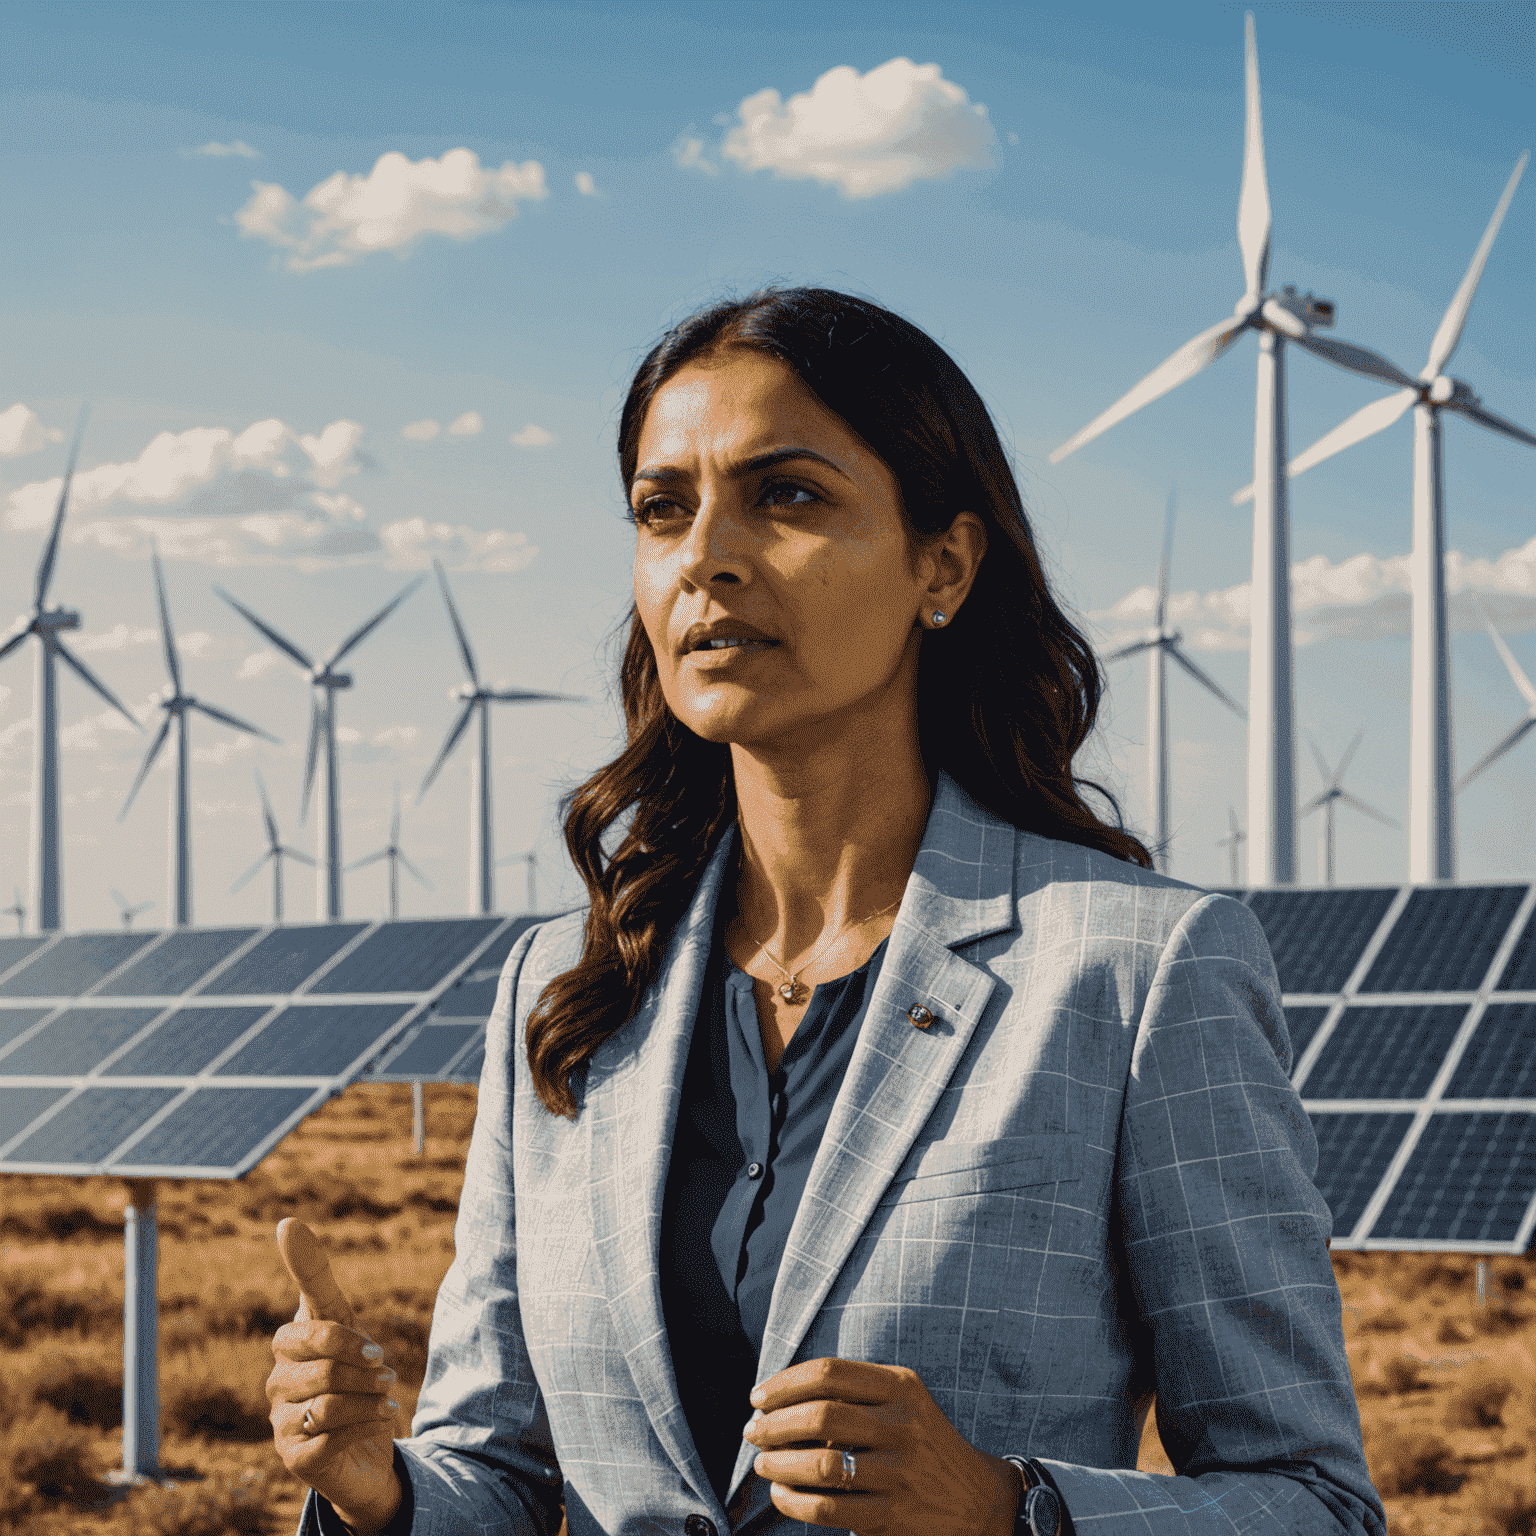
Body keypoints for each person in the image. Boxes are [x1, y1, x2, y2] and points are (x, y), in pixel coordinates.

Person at [266, 287, 1386, 1536]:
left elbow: (1317, 1503)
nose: (707, 556)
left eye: (787, 495)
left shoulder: (1136, 972)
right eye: (661, 508)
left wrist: (1012, 1512)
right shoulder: (567, 986)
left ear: (943, 566)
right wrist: (381, 1488)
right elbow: (508, 1481)